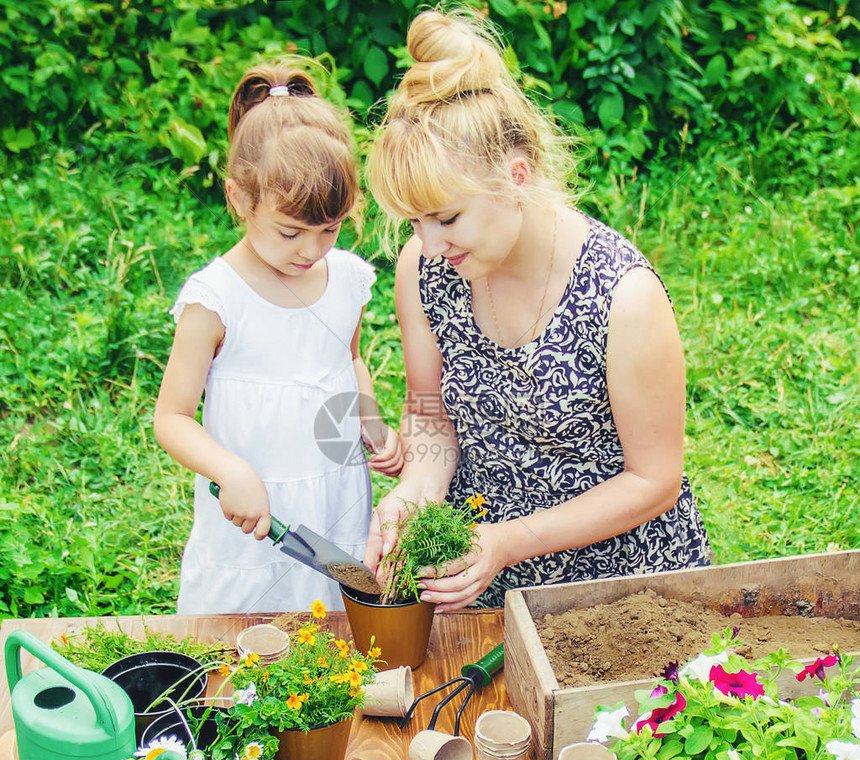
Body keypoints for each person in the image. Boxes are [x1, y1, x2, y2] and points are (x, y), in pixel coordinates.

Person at [364, 9, 711, 610]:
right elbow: (428, 410)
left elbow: (655, 482)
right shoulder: (424, 266)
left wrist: (510, 540)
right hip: (477, 569)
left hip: (617, 582)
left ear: (516, 177)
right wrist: (414, 492)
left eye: (447, 217)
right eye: (415, 221)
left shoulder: (622, 295)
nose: (431, 241)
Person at [154, 62, 403, 614]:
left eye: (330, 229)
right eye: (291, 232)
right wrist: (230, 471)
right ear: (240, 198)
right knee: (241, 635)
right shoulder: (215, 300)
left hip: (335, 493)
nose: (312, 251)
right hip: (254, 508)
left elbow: (349, 360)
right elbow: (171, 417)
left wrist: (370, 419)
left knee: (334, 624)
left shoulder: (347, 280)